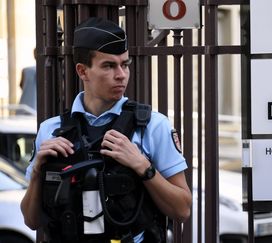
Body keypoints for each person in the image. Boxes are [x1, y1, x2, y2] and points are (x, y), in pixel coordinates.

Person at [20, 17, 192, 243]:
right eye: (109, 66)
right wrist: (37, 173)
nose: (121, 74)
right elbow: (32, 221)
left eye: (125, 64)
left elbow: (182, 209)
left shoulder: (153, 126)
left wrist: (142, 166)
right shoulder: (52, 130)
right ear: (83, 71)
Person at [19, 48, 37, 112]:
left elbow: (21, 85)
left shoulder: (25, 70)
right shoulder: (46, 70)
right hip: (35, 107)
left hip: (25, 104)